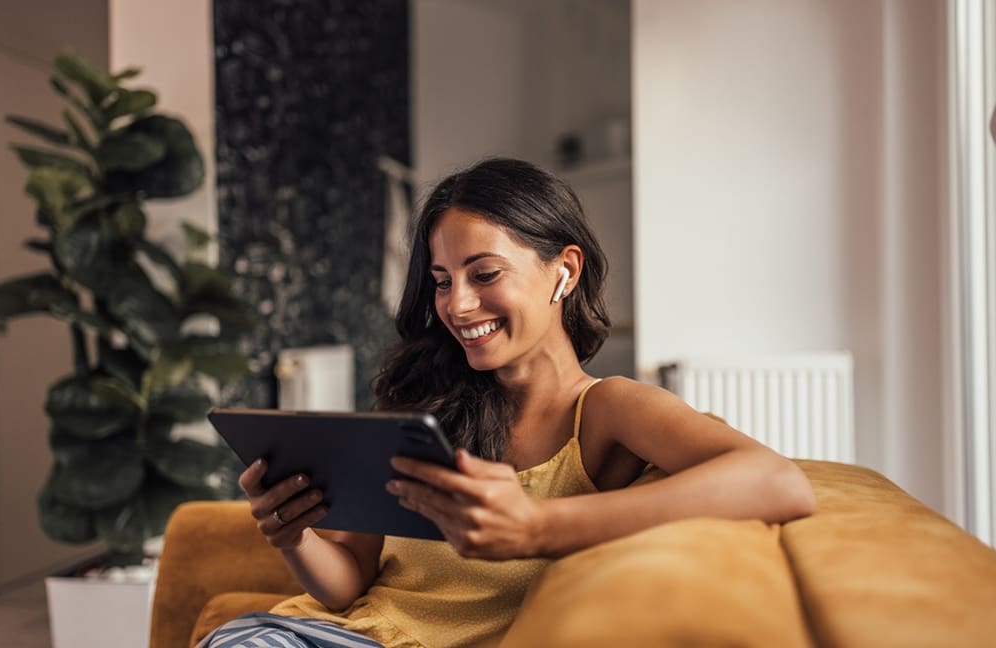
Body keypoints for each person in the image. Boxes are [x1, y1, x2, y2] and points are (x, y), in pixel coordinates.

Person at [200, 158, 816, 648]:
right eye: (442, 281)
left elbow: (777, 482)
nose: (457, 306)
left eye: (485, 274)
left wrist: (537, 525)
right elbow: (347, 585)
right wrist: (293, 537)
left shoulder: (606, 412)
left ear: (564, 271)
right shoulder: (424, 408)